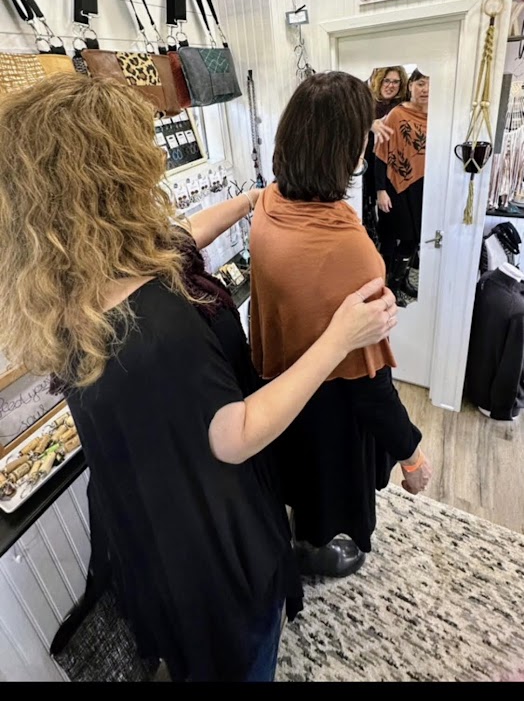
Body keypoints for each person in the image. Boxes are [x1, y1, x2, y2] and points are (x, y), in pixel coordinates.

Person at [0, 72, 400, 683]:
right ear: (108, 175)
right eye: (139, 150)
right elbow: (233, 434)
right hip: (207, 536)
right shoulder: (158, 330)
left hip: (144, 512)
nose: (157, 158)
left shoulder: (75, 289)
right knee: (238, 653)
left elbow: (179, 240)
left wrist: (251, 200)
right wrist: (338, 339)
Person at [249, 71, 432, 580]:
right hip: (330, 398)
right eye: (361, 135)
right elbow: (371, 385)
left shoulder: (269, 205)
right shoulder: (345, 247)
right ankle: (317, 549)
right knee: (329, 485)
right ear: (346, 151)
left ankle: (308, 535)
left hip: (280, 382)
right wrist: (412, 454)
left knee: (303, 478)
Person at [375, 67, 430, 306]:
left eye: (429, 83)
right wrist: (380, 191)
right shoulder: (397, 114)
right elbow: (380, 154)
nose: (425, 89)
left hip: (425, 185)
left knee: (418, 238)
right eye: (420, 83)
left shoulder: (439, 116)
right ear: (410, 86)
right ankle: (392, 286)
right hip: (396, 187)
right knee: (405, 238)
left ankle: (402, 279)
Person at [362, 66, 409, 270]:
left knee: (390, 219)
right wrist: (369, 124)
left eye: (395, 82)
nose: (390, 85)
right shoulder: (366, 104)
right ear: (379, 80)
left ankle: (389, 271)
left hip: (393, 170)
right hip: (367, 168)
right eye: (387, 81)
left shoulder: (402, 107)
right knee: (365, 216)